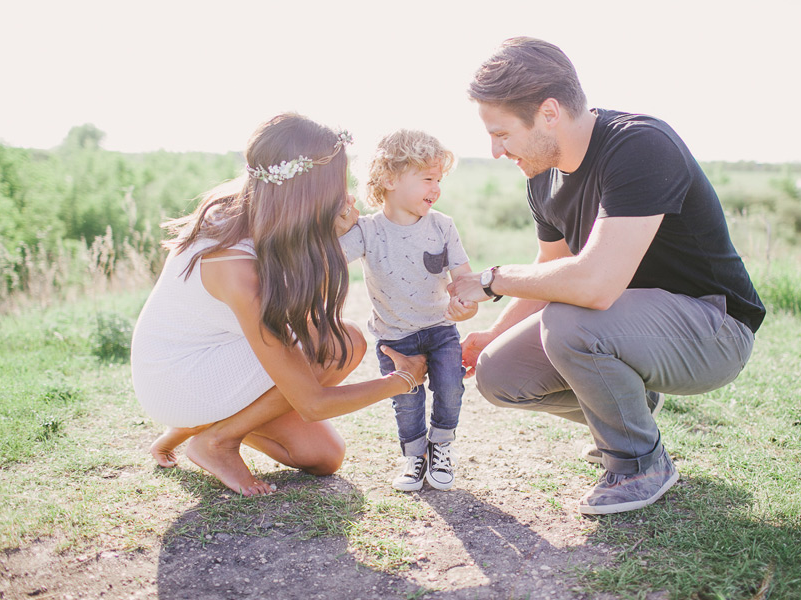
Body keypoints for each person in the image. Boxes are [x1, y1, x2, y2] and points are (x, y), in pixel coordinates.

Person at [449, 37, 765, 515]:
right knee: (499, 372)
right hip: (627, 329)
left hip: (714, 330)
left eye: (502, 133)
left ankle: (640, 464)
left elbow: (593, 286)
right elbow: (549, 272)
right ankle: (632, 411)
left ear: (549, 112)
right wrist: (494, 333)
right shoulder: (542, 175)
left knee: (571, 323)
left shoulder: (640, 145)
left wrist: (491, 279)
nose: (495, 151)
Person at [131, 113, 427, 497]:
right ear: (310, 191)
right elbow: (314, 402)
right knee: (340, 345)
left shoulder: (258, 211)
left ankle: (201, 428)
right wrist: (402, 381)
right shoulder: (235, 269)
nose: (345, 194)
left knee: (324, 455)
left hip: (209, 359)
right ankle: (216, 441)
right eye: (337, 182)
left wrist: (325, 241)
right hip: (178, 376)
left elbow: (302, 316)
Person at [340, 129, 477, 492]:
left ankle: (441, 446)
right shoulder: (367, 231)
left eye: (439, 180)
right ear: (389, 179)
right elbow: (329, 259)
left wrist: (466, 304)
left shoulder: (443, 226)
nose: (436, 188)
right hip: (395, 336)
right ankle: (414, 456)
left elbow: (463, 278)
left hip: (440, 327)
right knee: (406, 400)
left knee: (450, 389)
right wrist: (334, 223)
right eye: (427, 178)